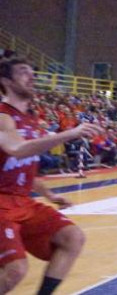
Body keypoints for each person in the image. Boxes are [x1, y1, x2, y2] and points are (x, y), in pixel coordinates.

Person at [0, 57, 104, 294]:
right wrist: (69, 133)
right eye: (23, 72)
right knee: (15, 270)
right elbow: (17, 149)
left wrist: (50, 195)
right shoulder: (3, 116)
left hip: (22, 202)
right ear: (6, 81)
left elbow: (22, 166)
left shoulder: (31, 119)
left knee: (72, 238)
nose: (31, 76)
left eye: (32, 71)